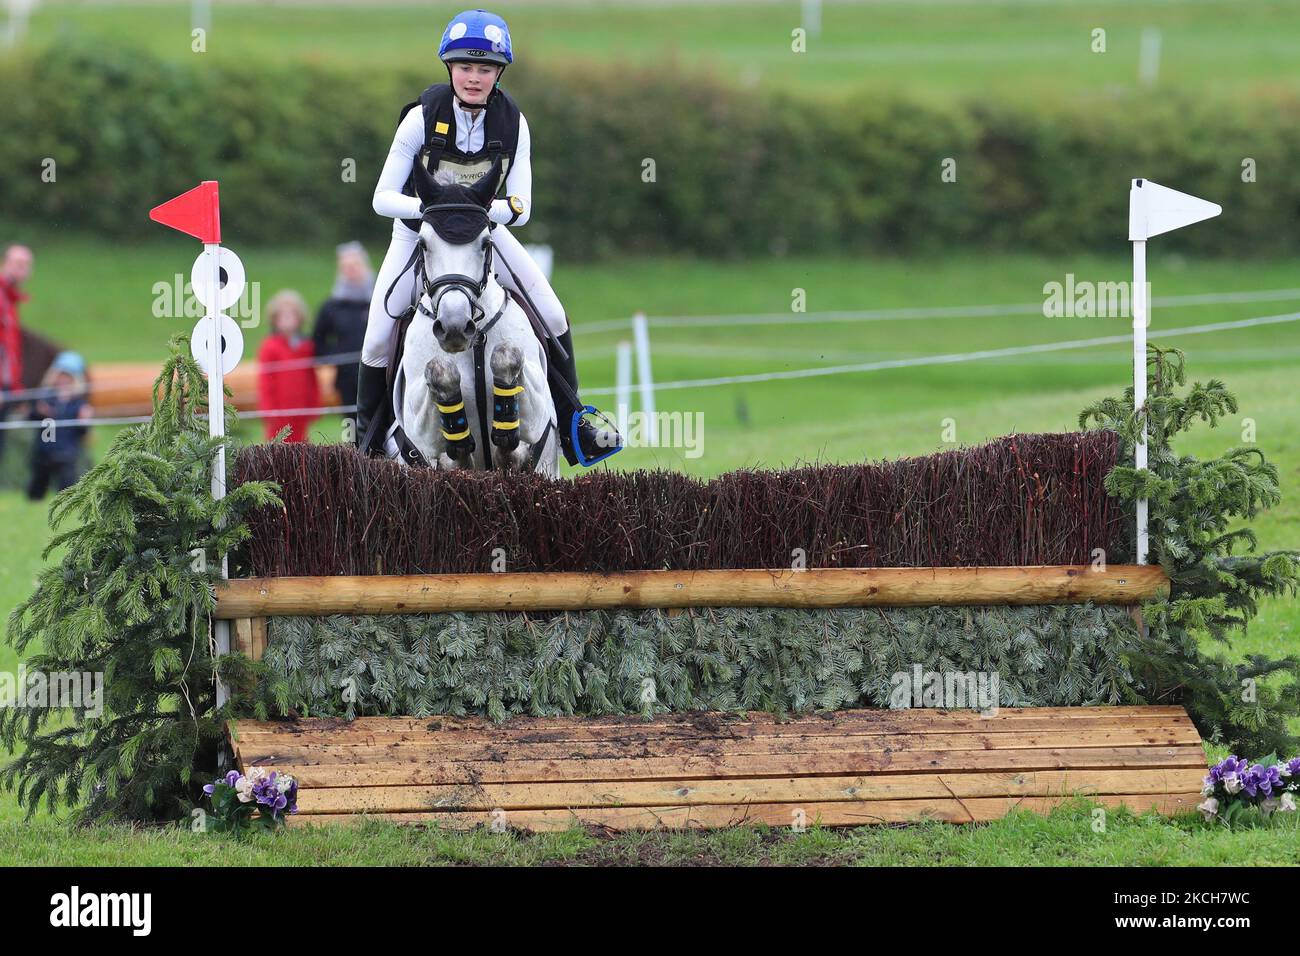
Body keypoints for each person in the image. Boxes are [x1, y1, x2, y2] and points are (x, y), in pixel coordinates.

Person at [359, 8, 620, 466]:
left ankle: (574, 426)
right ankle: (366, 448)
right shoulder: (421, 119)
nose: (473, 78)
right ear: (450, 69)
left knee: (554, 313)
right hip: (419, 236)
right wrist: (433, 212)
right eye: (465, 67)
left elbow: (520, 208)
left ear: (498, 73)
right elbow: (381, 197)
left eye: (484, 69)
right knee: (378, 338)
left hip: (484, 236)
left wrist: (474, 215)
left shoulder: (513, 123)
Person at [313, 241, 373, 413]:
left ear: (364, 266)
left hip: (380, 375)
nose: (351, 271)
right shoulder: (332, 307)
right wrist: (337, 356)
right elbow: (318, 341)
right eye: (345, 267)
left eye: (355, 266)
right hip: (346, 380)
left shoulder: (380, 299)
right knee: (353, 427)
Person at [257, 290, 321, 443]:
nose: (287, 320)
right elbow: (265, 382)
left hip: (300, 409)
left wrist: (314, 404)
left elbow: (311, 378)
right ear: (275, 319)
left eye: (291, 315)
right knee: (278, 450)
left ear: (299, 318)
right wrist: (269, 411)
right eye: (282, 316)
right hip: (278, 411)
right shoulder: (270, 347)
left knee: (301, 449)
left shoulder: (306, 347)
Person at [27, 350, 92, 500]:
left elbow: (82, 432)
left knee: (67, 489)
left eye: (68, 377)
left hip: (67, 453)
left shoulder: (78, 403)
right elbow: (32, 418)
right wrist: (39, 412)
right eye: (60, 376)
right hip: (44, 450)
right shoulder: (46, 396)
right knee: (37, 486)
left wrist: (83, 420)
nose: (63, 380)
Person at [0, 243, 34, 465]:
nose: (22, 270)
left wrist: (15, 389)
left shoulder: (10, 299)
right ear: (6, 262)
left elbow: (11, 350)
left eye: (27, 266)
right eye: (18, 264)